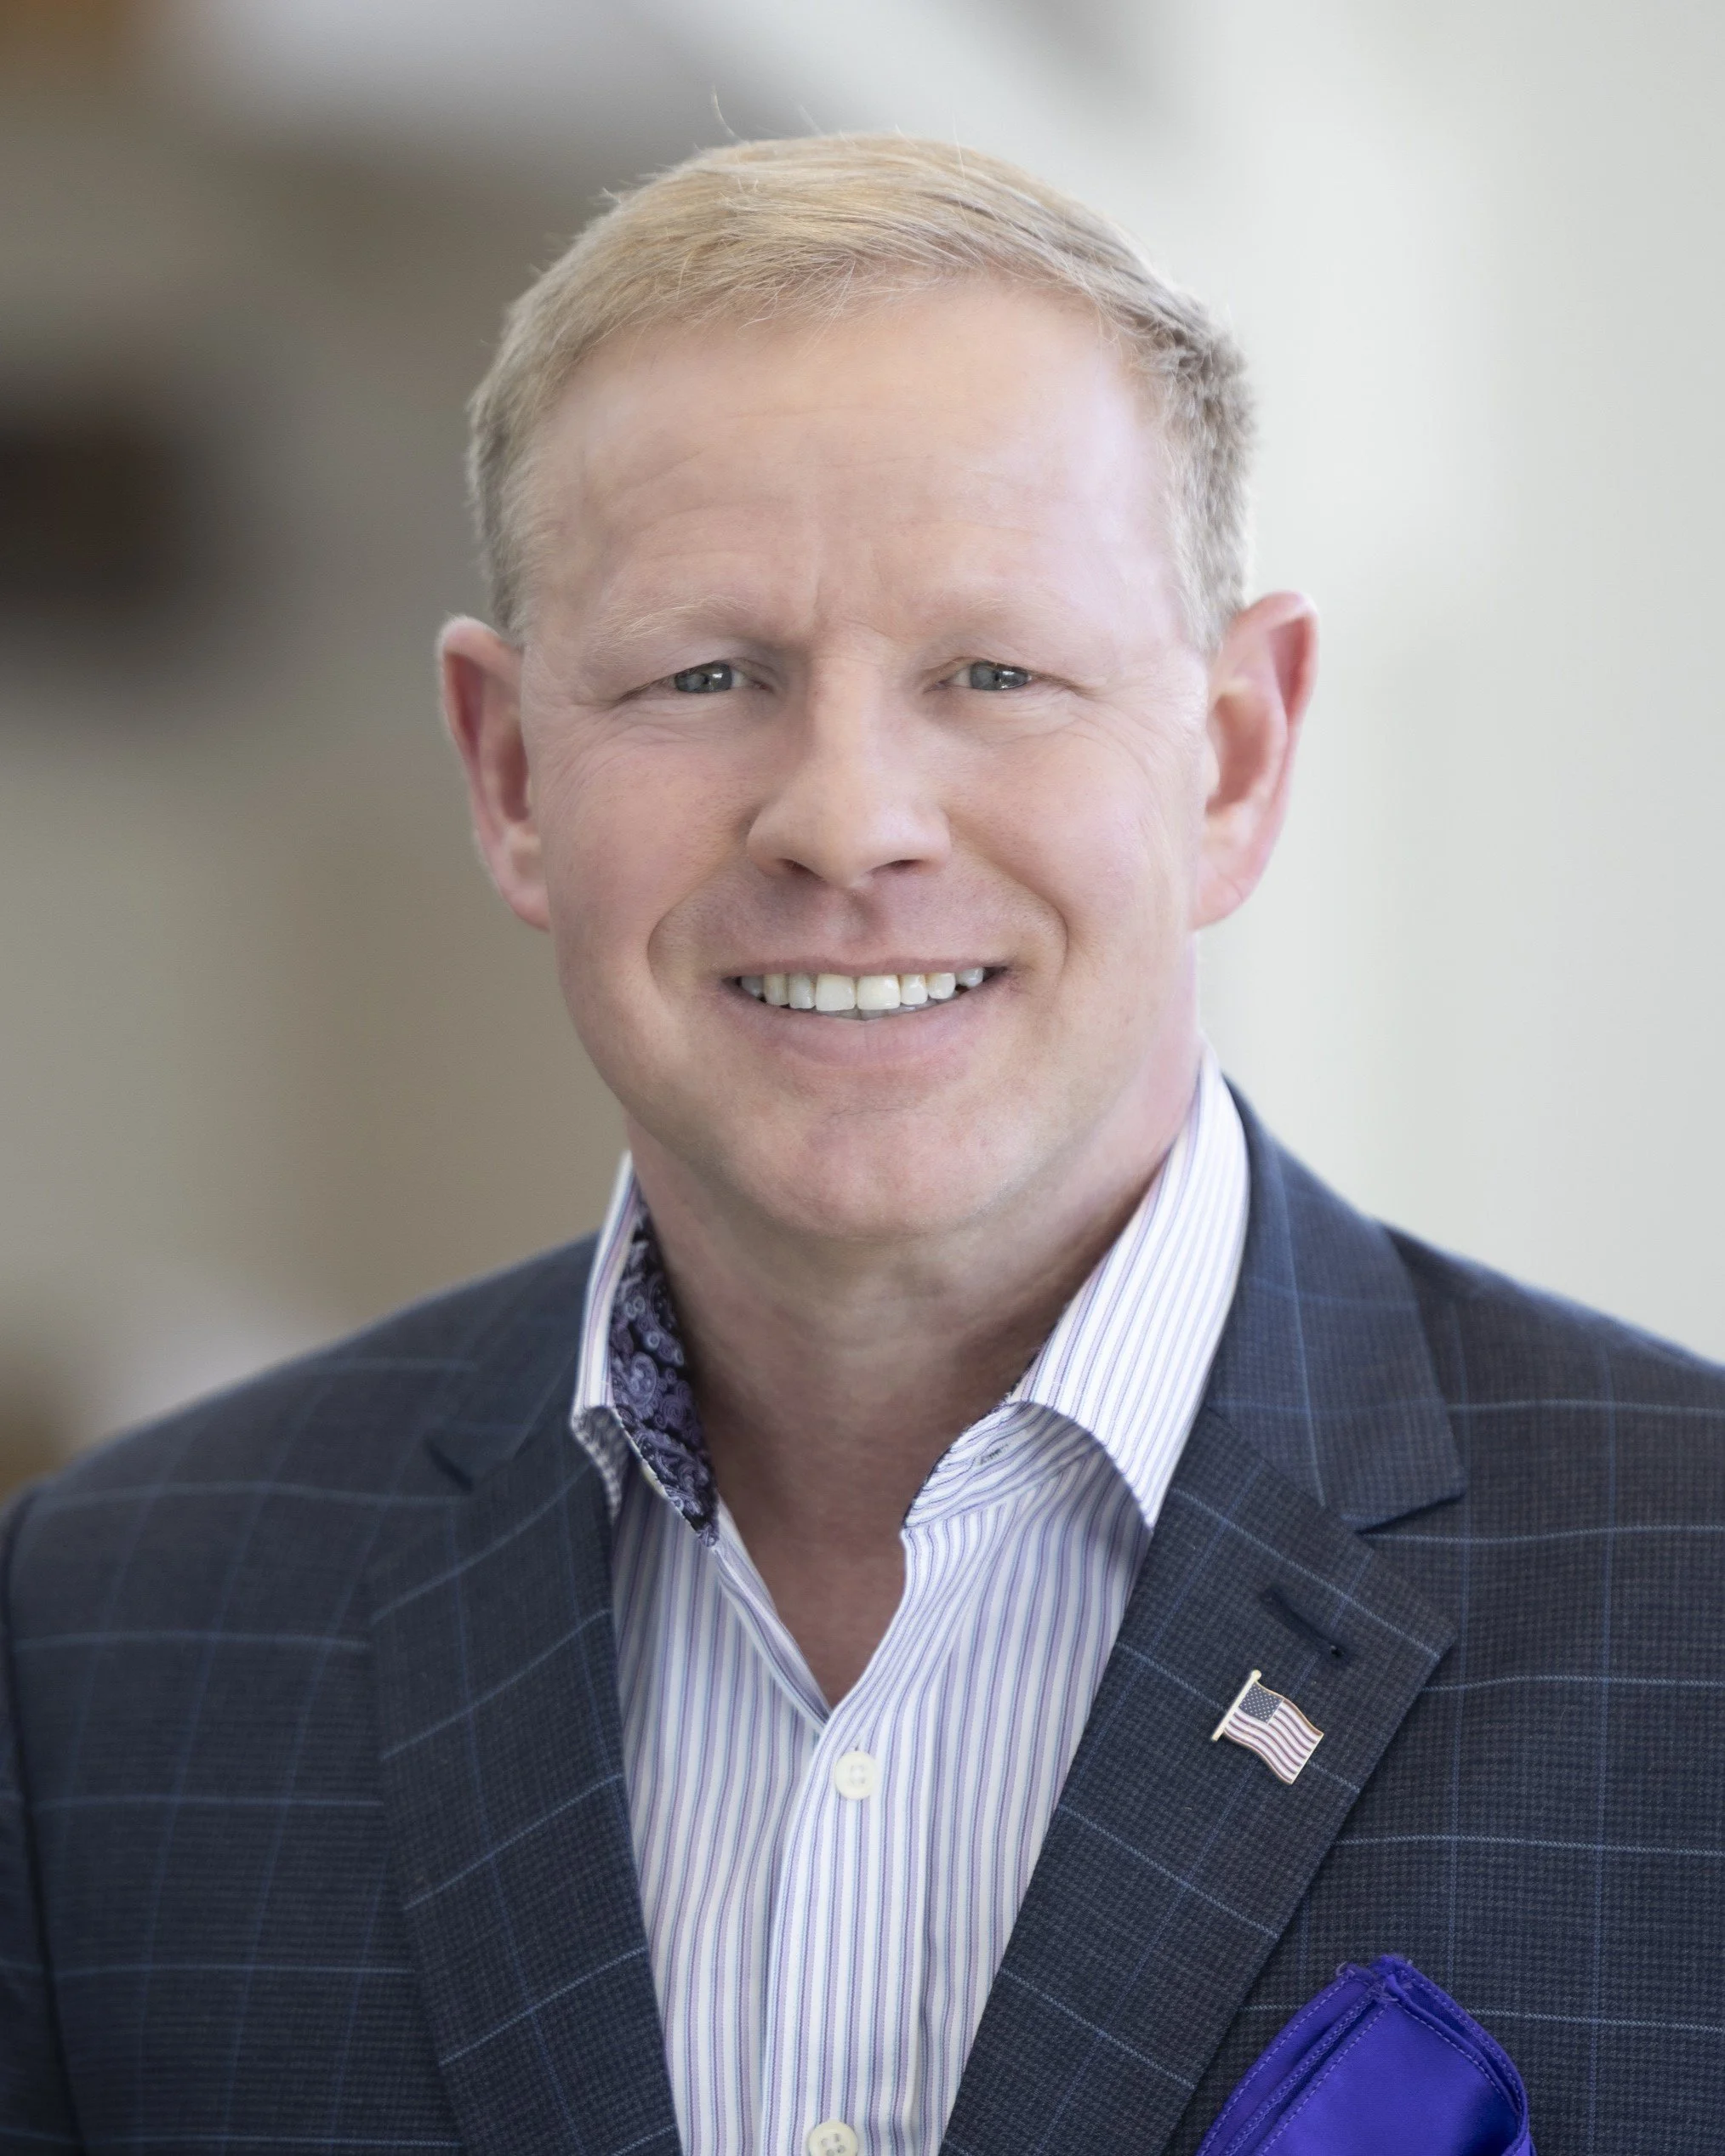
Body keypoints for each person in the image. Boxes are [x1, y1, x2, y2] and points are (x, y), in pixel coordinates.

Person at [2, 135, 1720, 2156]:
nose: (845, 820)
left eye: (994, 673)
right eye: (703, 676)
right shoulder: (103, 1649)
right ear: (509, 773)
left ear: (1238, 756)